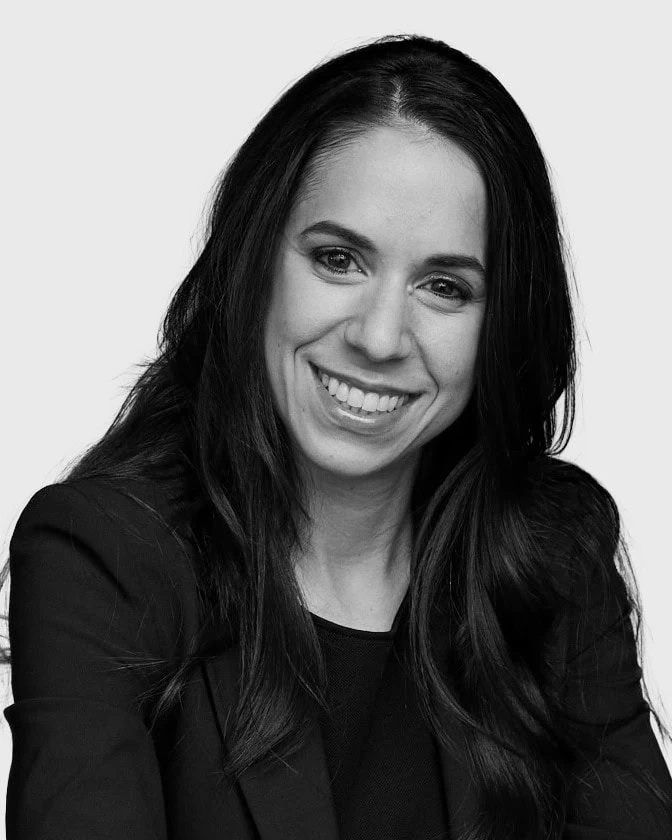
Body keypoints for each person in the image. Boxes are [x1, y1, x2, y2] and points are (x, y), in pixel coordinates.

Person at [1, 33, 671, 840]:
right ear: (258, 261)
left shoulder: (553, 556)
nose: (382, 337)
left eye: (445, 287)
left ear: (502, 326)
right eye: (338, 260)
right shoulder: (104, 558)